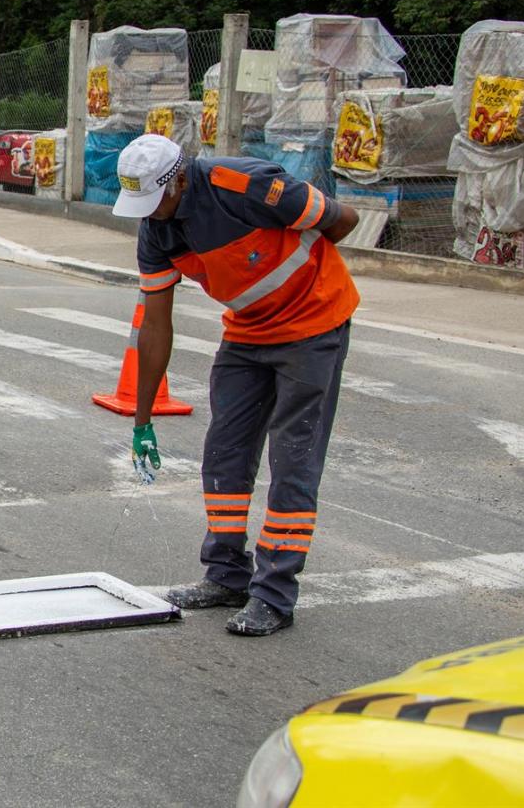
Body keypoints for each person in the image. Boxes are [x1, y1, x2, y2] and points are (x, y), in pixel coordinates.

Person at [113, 134, 359, 637]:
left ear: (179, 180)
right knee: (224, 452)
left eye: (155, 200)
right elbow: (155, 324)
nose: (149, 214)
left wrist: (302, 278)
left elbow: (343, 219)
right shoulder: (156, 232)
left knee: (292, 459)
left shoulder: (246, 185)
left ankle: (274, 595)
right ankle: (226, 576)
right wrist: (142, 421)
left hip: (314, 325)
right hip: (247, 331)